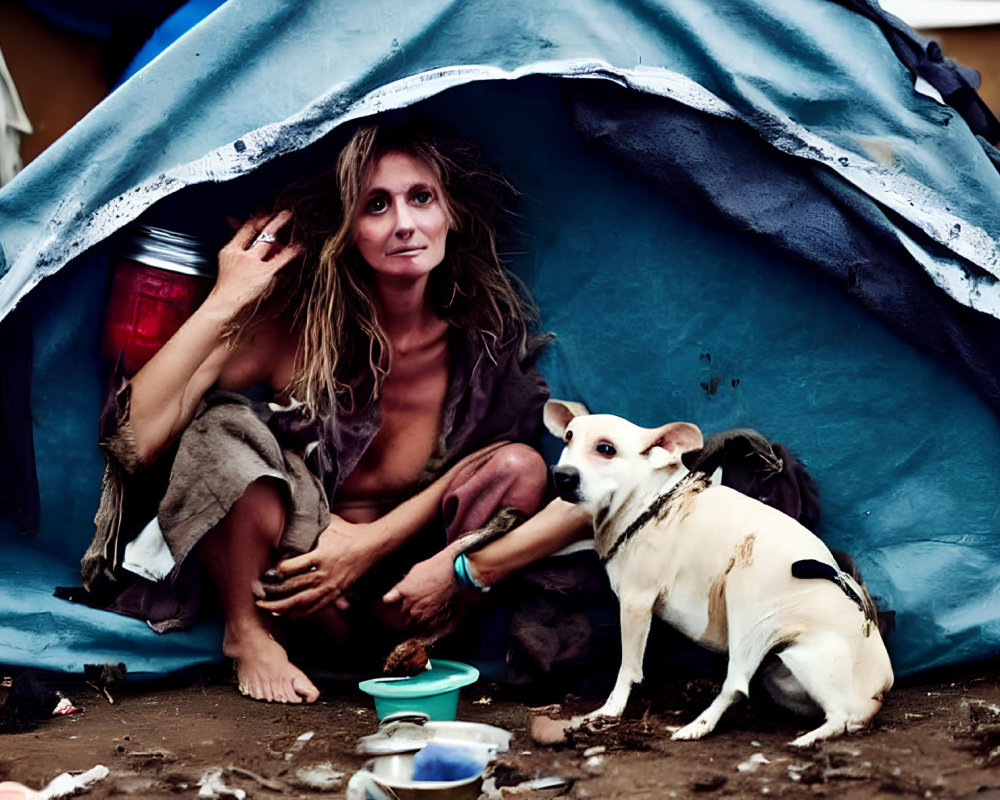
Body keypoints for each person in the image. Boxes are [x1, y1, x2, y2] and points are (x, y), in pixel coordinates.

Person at [81, 122, 592, 703]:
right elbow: (132, 440)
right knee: (222, 427)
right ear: (348, 230)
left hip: (410, 598)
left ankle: (428, 646)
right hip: (294, 590)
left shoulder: (480, 344)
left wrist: (371, 544)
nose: (404, 223)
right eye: (376, 205)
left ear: (452, 214)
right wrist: (229, 295)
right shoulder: (290, 331)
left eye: (420, 198)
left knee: (523, 466)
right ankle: (247, 637)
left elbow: (498, 463)